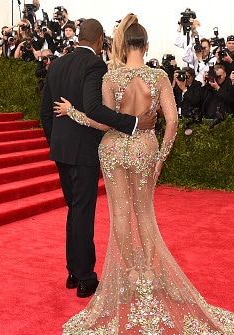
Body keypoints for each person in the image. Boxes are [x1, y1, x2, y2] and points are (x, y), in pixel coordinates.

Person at [52, 13, 234, 335]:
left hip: (113, 149)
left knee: (120, 217)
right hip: (145, 148)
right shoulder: (158, 77)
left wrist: (72, 113)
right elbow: (172, 121)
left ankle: (131, 276)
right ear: (146, 45)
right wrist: (161, 158)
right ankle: (149, 277)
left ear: (123, 45)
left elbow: (102, 122)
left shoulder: (112, 77)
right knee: (145, 214)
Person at [40, 18, 157, 300]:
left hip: (62, 151)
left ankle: (73, 271)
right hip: (83, 151)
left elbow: (45, 111)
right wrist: (132, 123)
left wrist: (55, 143)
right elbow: (93, 107)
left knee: (74, 209)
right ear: (99, 40)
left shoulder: (57, 64)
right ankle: (85, 277)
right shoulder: (94, 66)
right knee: (82, 211)